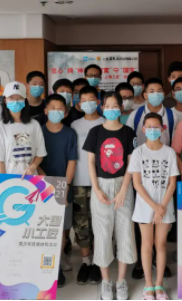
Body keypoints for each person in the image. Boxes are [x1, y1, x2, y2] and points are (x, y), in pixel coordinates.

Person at [85, 92, 137, 300]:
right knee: (102, 233)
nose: (112, 109)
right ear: (102, 107)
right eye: (108, 106)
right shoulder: (95, 132)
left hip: (124, 184)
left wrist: (124, 189)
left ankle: (121, 281)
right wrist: (96, 189)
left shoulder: (128, 132)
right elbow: (90, 162)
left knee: (125, 232)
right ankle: (106, 282)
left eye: (116, 106)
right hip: (101, 185)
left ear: (121, 108)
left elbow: (131, 163)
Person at [128, 113, 179, 301]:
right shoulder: (138, 152)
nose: (152, 130)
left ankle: (159, 285)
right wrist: (154, 207)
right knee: (147, 245)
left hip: (165, 205)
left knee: (161, 244)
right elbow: (137, 184)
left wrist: (162, 206)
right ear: (143, 129)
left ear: (162, 129)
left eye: (156, 126)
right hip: (145, 206)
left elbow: (172, 183)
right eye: (148, 127)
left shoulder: (169, 152)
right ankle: (148, 285)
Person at [39, 94, 77, 288]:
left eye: (60, 108)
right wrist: (47, 183)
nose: (56, 111)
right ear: (45, 111)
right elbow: (34, 160)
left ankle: (56, 265)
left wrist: (64, 186)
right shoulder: (37, 131)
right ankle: (41, 267)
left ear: (66, 112)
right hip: (40, 186)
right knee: (41, 228)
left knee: (60, 228)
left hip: (63, 185)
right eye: (52, 108)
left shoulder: (70, 134)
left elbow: (72, 161)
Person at [71, 86, 105, 285]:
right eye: (83, 100)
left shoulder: (106, 122)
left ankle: (99, 263)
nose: (88, 103)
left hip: (102, 182)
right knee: (81, 223)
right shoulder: (74, 125)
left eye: (91, 99)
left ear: (98, 102)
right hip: (79, 182)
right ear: (79, 103)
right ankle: (86, 262)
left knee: (100, 222)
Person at [0, 81, 47, 176]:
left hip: (30, 179)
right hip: (9, 180)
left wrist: (33, 166)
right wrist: (4, 181)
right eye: (11, 98)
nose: (15, 101)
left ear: (25, 100)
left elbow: (40, 153)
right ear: (5, 100)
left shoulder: (34, 125)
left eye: (19, 98)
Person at [126, 78, 178, 147]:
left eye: (159, 91)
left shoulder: (172, 116)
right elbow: (128, 140)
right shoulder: (135, 116)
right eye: (152, 91)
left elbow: (176, 141)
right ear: (145, 95)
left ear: (163, 94)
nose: (156, 94)